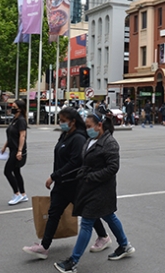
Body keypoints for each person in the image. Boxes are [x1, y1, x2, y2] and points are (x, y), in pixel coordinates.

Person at [23, 108, 110, 259]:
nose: (61, 123)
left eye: (63, 121)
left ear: (73, 121)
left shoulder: (78, 138)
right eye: (60, 120)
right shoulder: (65, 135)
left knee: (86, 213)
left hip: (74, 184)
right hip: (62, 184)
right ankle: (44, 246)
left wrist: (54, 176)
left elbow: (76, 162)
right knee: (54, 213)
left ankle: (103, 237)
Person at [54, 112, 135, 273]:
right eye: (86, 127)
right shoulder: (91, 140)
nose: (87, 130)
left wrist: (91, 176)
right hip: (89, 187)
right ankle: (125, 245)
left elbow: (113, 168)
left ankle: (73, 261)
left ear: (100, 125)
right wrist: (82, 174)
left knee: (86, 223)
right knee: (108, 216)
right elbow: (85, 161)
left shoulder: (109, 143)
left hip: (101, 189)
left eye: (90, 126)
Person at [1, 99, 28, 205]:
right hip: (12, 149)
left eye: (14, 106)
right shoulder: (14, 119)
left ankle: (17, 194)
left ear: (20, 109)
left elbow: (22, 136)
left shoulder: (21, 120)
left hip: (17, 150)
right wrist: (4, 146)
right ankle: (23, 194)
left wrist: (20, 151)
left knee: (7, 171)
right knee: (16, 172)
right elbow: (11, 135)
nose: (12, 108)